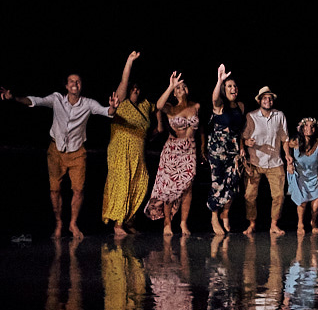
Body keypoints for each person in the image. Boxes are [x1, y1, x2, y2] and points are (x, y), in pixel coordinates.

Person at [2, 71, 117, 238]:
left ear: (81, 85)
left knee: (78, 190)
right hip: (55, 151)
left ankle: (73, 223)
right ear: (66, 86)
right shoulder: (56, 99)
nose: (75, 84)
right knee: (55, 190)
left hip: (77, 152)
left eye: (78, 82)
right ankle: (58, 223)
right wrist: (14, 98)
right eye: (71, 81)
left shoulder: (88, 103)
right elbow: (35, 101)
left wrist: (113, 106)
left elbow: (107, 112)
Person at [102, 51, 156, 238]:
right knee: (122, 183)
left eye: (138, 88)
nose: (135, 89)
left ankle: (128, 220)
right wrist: (129, 62)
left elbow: (160, 108)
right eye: (133, 87)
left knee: (140, 184)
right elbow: (124, 83)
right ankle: (118, 224)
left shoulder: (145, 106)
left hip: (138, 153)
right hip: (120, 151)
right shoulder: (121, 103)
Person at [146, 71, 201, 236]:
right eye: (178, 88)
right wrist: (171, 86)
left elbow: (199, 129)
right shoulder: (170, 108)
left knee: (187, 188)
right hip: (172, 150)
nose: (181, 89)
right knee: (169, 189)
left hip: (189, 150)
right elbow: (159, 105)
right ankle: (167, 222)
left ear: (187, 90)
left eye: (183, 86)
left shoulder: (195, 106)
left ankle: (184, 223)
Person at [242, 86, 292, 235]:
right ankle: (252, 223)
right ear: (259, 100)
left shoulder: (279, 115)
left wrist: (287, 155)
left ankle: (274, 224)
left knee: (278, 195)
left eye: (270, 98)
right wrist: (246, 143)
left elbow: (285, 139)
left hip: (275, 161)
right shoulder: (251, 116)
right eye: (265, 98)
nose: (268, 100)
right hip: (255, 162)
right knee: (250, 195)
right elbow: (243, 137)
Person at [205, 64, 245, 235]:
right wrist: (219, 80)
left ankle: (225, 213)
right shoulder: (220, 104)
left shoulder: (241, 106)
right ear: (224, 89)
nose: (233, 88)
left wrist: (242, 147)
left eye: (234, 86)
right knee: (218, 183)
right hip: (217, 150)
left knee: (233, 183)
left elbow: (240, 131)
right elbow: (214, 98)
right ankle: (214, 215)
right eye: (229, 86)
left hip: (234, 150)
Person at [287, 117, 318, 233]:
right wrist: (289, 163)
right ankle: (300, 223)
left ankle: (313, 222)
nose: (309, 129)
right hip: (300, 176)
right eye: (306, 126)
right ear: (302, 128)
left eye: (312, 126)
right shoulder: (295, 142)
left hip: (313, 176)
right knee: (302, 202)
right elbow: (286, 148)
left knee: (315, 206)